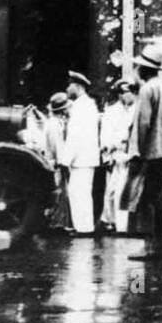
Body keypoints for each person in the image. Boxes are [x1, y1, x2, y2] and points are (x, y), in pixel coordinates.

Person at [125, 44, 162, 262]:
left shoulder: (147, 90)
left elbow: (143, 123)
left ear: (144, 69)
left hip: (148, 152)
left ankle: (152, 246)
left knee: (147, 200)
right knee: (159, 198)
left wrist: (137, 152)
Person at [61, 71, 101, 235]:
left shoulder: (80, 107)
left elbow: (75, 136)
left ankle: (84, 228)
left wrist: (65, 160)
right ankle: (83, 227)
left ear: (78, 86)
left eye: (70, 85)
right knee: (80, 192)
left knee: (80, 193)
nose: (67, 88)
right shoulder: (87, 105)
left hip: (81, 158)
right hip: (85, 156)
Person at [100, 79, 136, 233]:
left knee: (126, 189)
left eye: (129, 92)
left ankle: (125, 224)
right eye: (123, 92)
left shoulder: (138, 109)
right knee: (112, 190)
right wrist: (107, 156)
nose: (126, 96)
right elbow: (105, 135)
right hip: (116, 154)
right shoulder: (111, 111)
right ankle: (110, 220)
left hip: (131, 154)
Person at [44, 92, 74, 231]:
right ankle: (56, 223)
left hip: (54, 161)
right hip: (55, 163)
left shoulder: (54, 123)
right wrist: (64, 163)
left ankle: (56, 222)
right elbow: (57, 146)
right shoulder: (55, 125)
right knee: (59, 193)